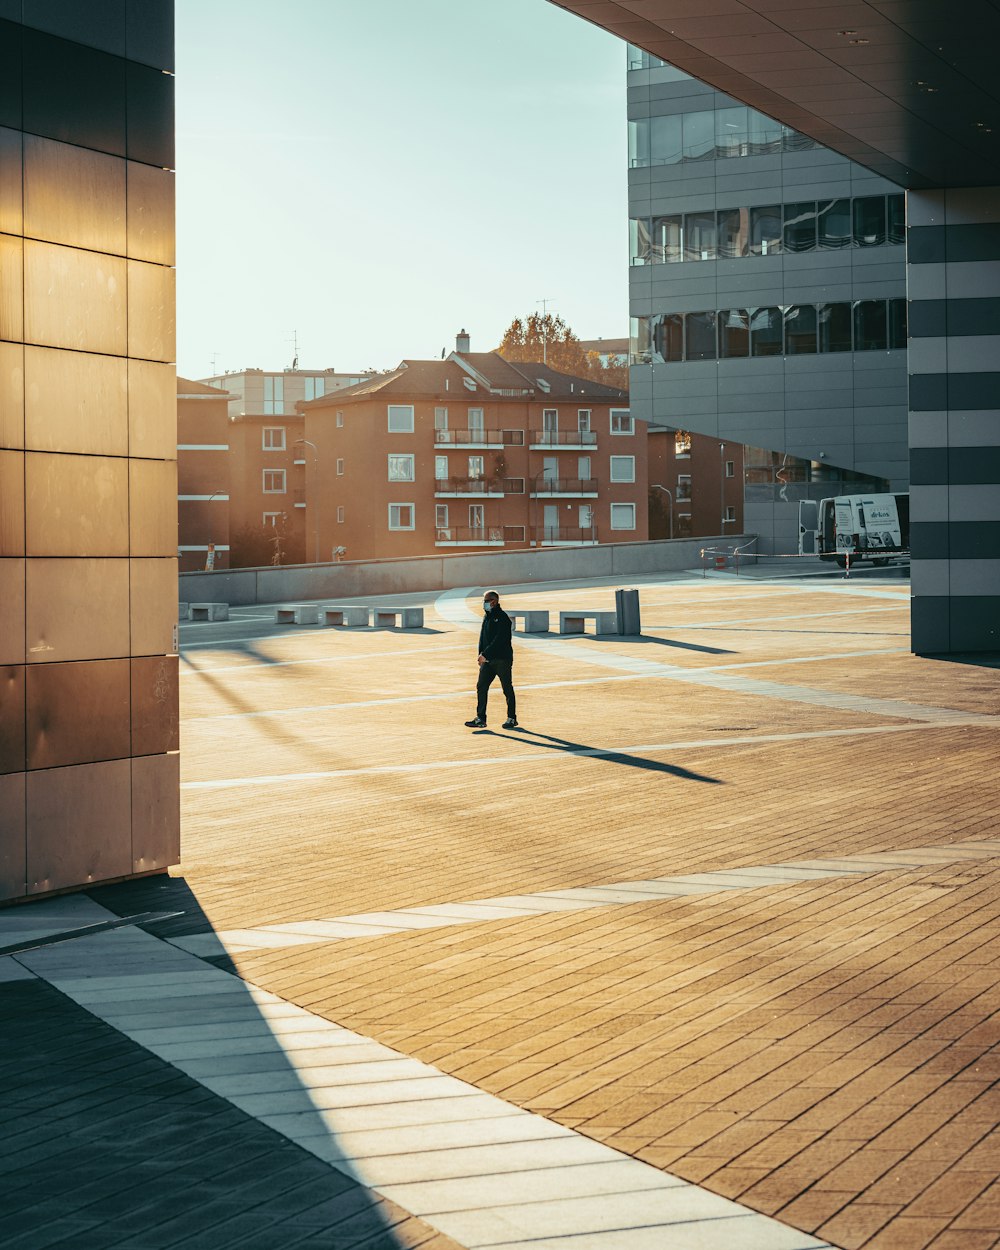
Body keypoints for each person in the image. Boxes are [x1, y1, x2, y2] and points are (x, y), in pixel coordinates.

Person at [464, 590, 517, 729]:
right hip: (487, 661)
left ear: (494, 601)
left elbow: (499, 640)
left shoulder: (503, 618)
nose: (484, 603)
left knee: (507, 688)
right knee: (481, 686)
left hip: (502, 660)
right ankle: (481, 718)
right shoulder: (487, 617)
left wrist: (485, 654)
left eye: (486, 601)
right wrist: (481, 655)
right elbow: (483, 638)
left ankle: (511, 718)